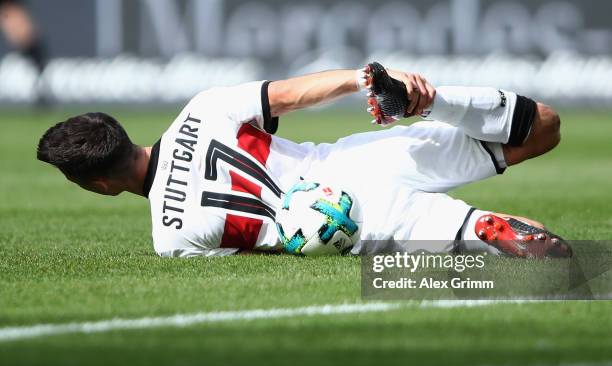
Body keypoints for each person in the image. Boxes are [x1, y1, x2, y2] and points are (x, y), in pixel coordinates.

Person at [36, 63, 571, 258]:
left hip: (356, 226)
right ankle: (433, 100)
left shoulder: (171, 240)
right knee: (543, 126)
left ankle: (495, 233)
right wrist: (364, 79)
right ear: (119, 130)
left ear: (98, 185)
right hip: (370, 158)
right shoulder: (200, 111)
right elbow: (290, 95)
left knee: (531, 256)